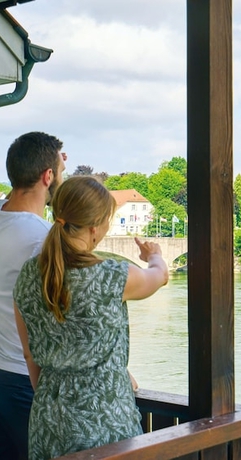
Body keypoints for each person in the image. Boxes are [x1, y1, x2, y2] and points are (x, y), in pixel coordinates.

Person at [13, 176, 169, 459]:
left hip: (48, 422)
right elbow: (160, 277)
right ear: (95, 227)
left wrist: (52, 399)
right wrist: (154, 255)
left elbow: (29, 354)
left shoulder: (28, 274)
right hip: (106, 423)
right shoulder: (112, 277)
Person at [0, 131, 66, 460]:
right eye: (58, 172)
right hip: (17, 376)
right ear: (47, 177)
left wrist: (48, 166)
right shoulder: (44, 239)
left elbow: (18, 192)